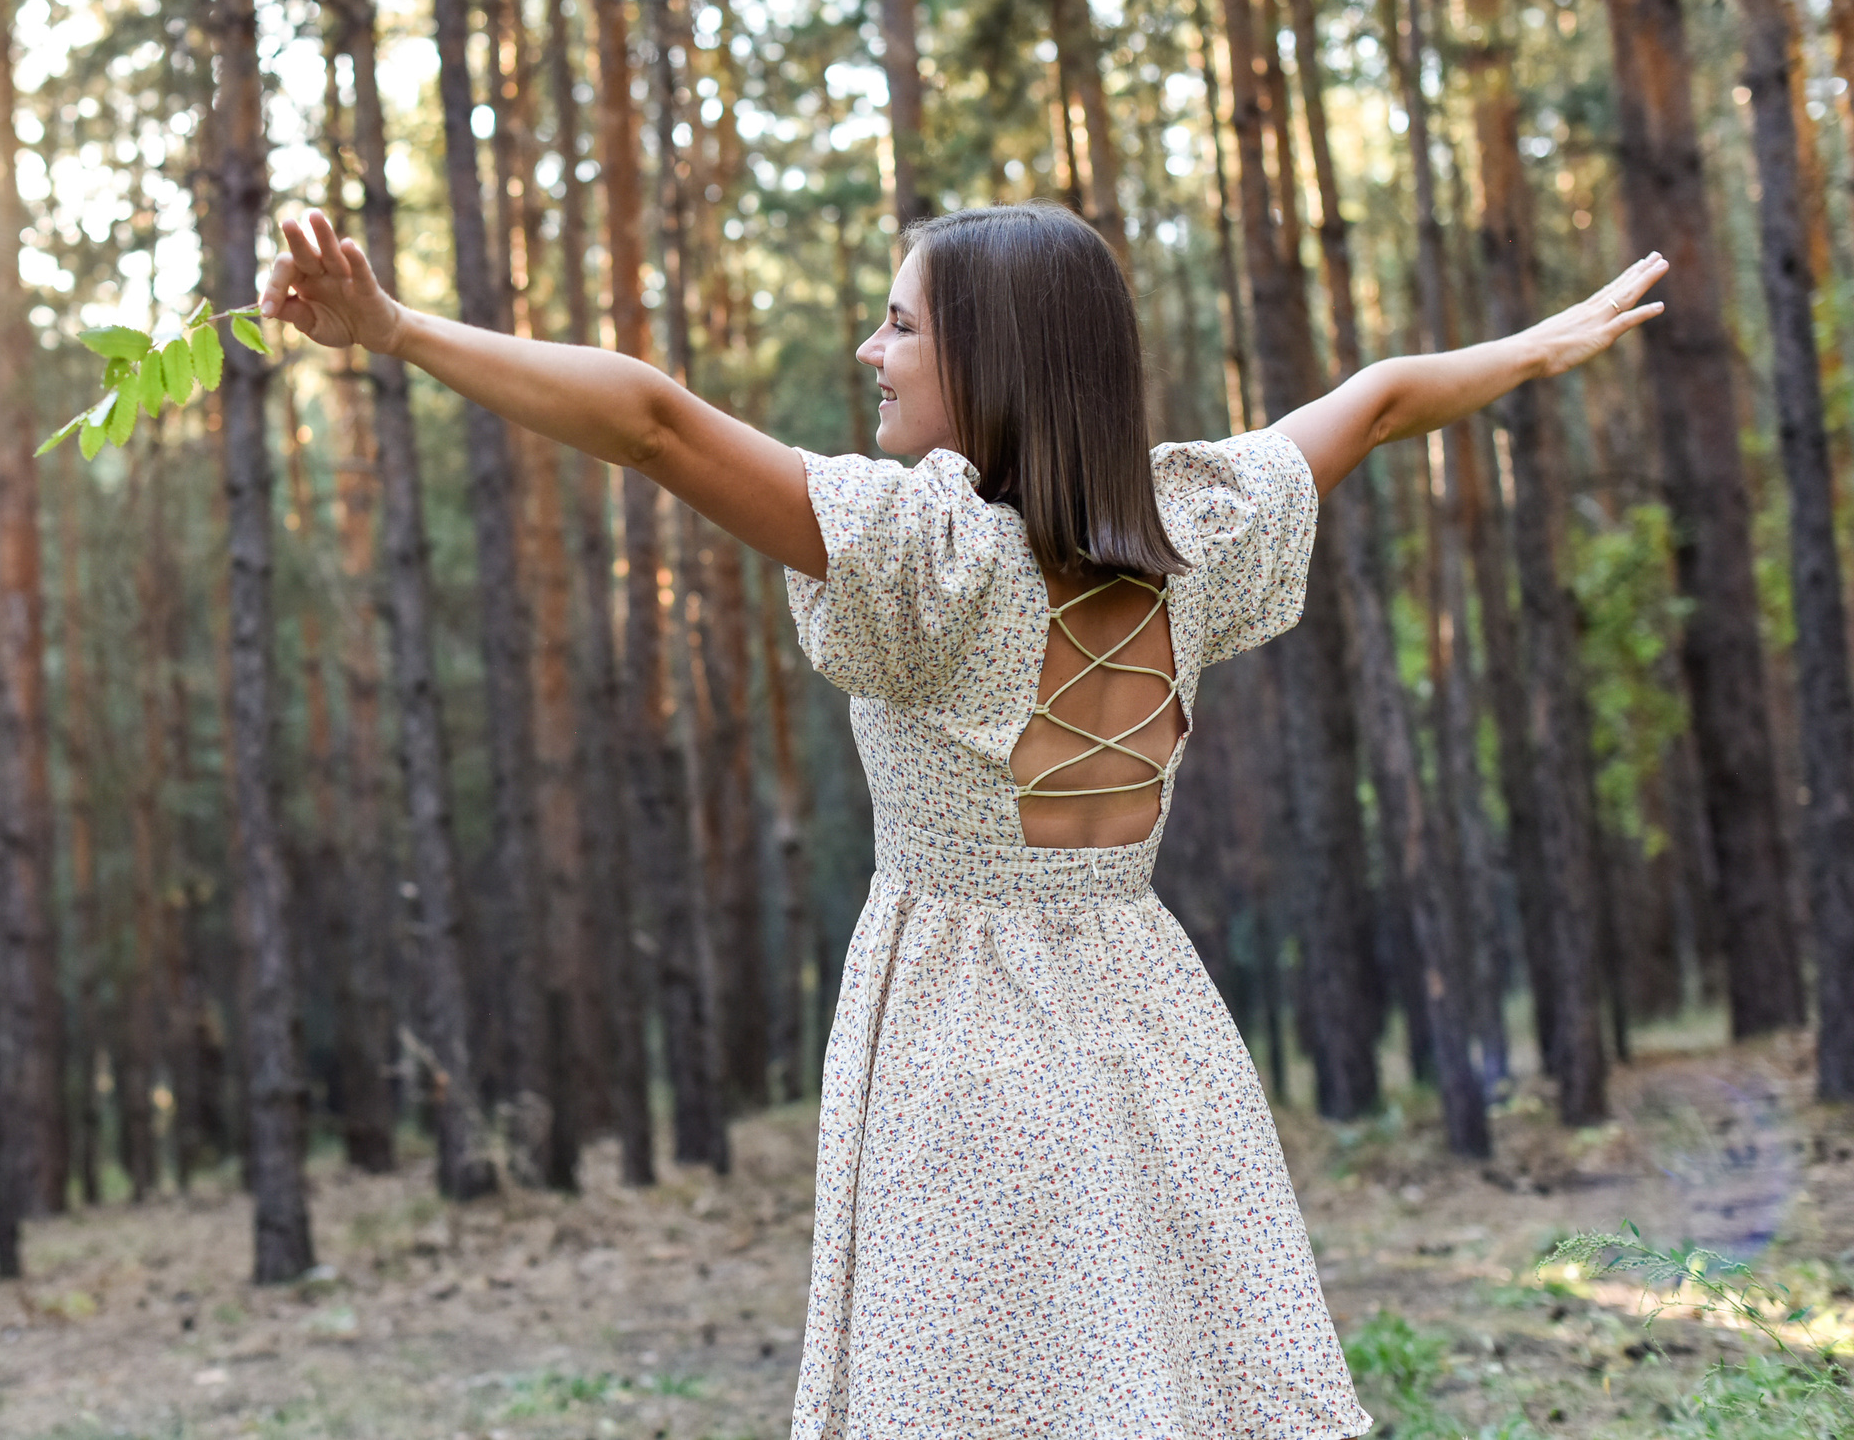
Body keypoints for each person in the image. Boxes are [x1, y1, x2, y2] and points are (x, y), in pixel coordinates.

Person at [260, 200, 1665, 1438]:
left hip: (963, 1039)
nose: (870, 355)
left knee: (978, 1390)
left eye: (898, 328)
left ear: (992, 360)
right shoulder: (1196, 534)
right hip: (1146, 1021)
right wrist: (1538, 351)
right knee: (1156, 1378)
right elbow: (1383, 398)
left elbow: (651, 421)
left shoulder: (924, 559)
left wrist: (393, 327)